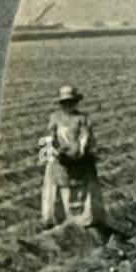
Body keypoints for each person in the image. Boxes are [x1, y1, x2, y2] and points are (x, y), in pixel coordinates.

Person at [40, 84, 107, 230]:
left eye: (71, 102)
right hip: (61, 158)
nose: (68, 105)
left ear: (75, 102)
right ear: (61, 104)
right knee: (57, 187)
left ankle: (86, 220)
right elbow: (49, 137)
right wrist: (55, 151)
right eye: (65, 102)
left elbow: (86, 136)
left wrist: (82, 151)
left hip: (79, 158)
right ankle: (56, 220)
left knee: (84, 187)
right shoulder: (55, 118)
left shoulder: (82, 118)